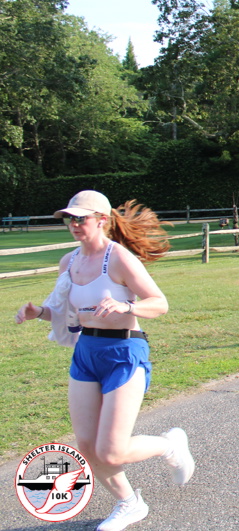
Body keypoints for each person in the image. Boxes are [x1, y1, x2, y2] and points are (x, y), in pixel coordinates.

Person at [14, 191, 195, 531]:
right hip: (86, 353)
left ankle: (170, 445)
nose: (74, 224)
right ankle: (130, 504)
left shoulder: (119, 259)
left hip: (124, 351)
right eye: (69, 218)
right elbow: (65, 313)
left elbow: (159, 303)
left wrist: (127, 306)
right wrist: (38, 312)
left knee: (111, 451)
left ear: (102, 220)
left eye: (81, 218)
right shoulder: (68, 262)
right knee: (87, 447)